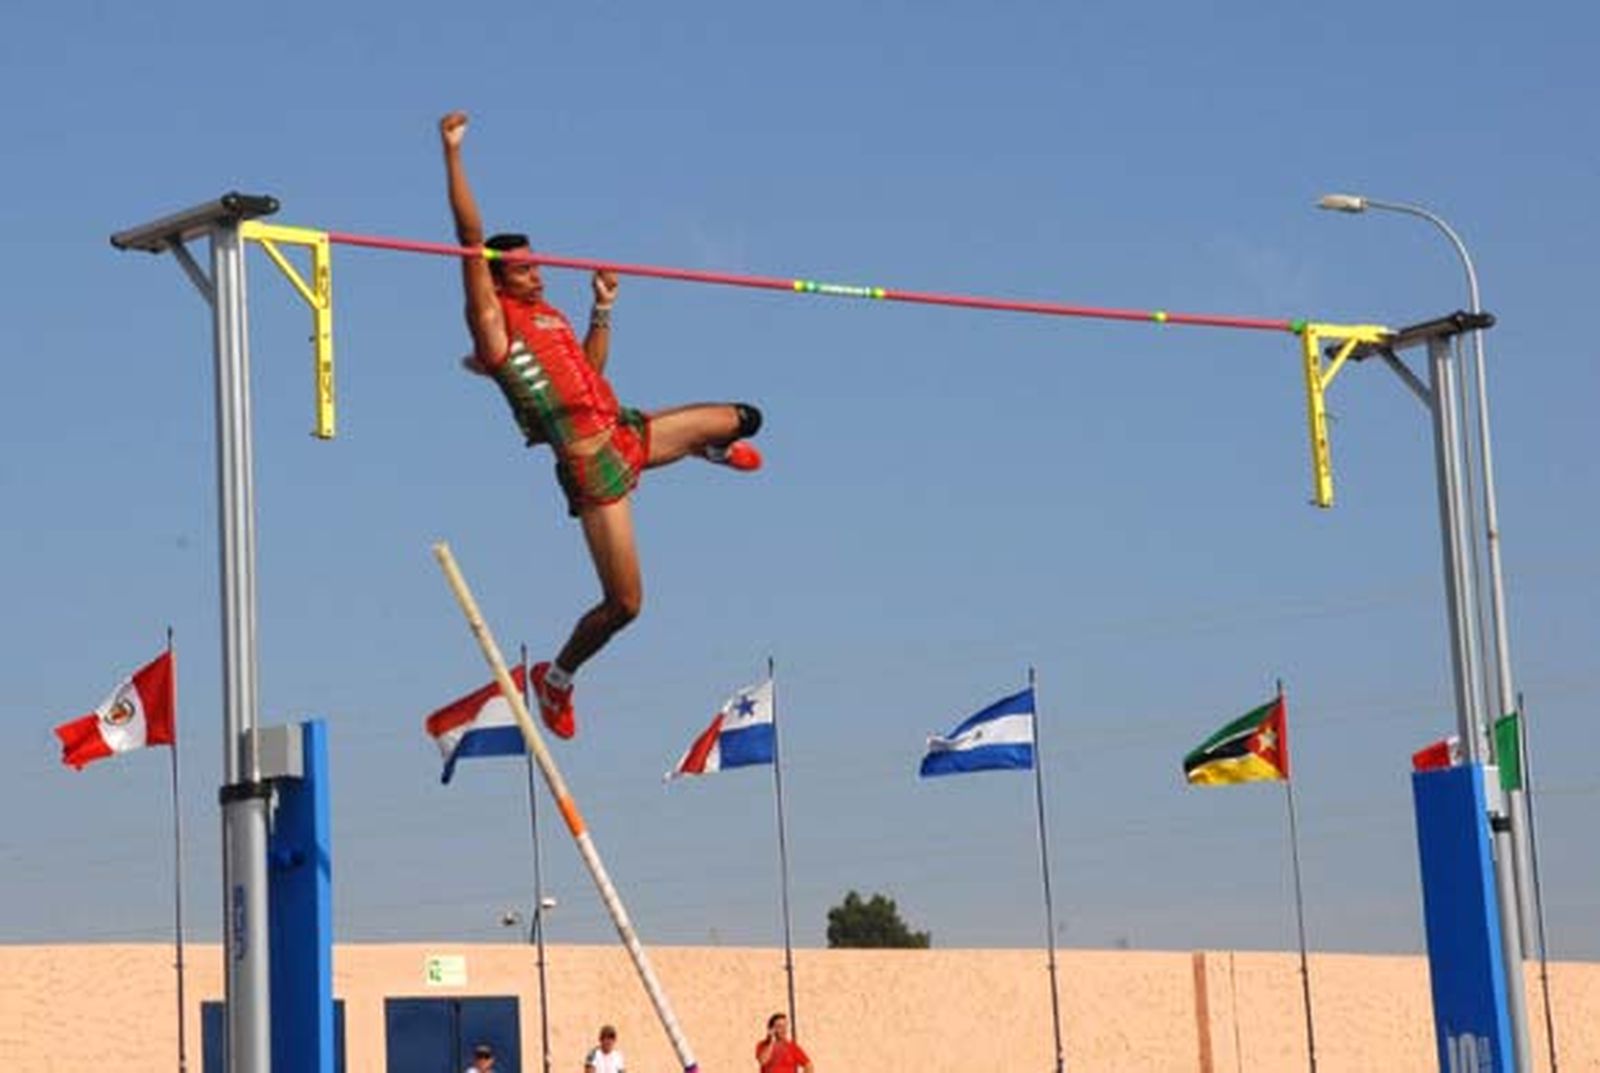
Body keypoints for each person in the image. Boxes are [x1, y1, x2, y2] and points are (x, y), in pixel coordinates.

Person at [440, 111, 764, 740]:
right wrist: (453, 153)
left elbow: (586, 373)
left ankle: (707, 447)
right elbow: (468, 234)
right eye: (526, 269)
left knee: (745, 418)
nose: (539, 273)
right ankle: (557, 679)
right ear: (500, 277)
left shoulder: (551, 315)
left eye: (537, 265)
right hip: (594, 468)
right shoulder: (494, 322)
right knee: (627, 605)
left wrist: (602, 309)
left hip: (624, 430)